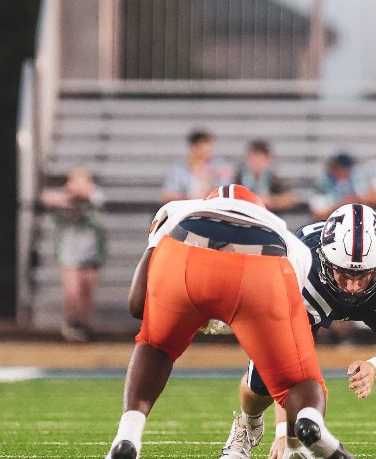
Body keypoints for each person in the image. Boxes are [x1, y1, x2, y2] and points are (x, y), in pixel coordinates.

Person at [108, 184, 352, 459]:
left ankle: (128, 433)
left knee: (155, 344)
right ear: (260, 211)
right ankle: (310, 422)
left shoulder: (177, 210)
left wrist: (189, 313)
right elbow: (276, 314)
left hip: (185, 252)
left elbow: (137, 305)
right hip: (264, 263)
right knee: (299, 381)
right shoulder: (289, 239)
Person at [219, 204, 376, 459]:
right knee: (260, 383)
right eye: (344, 273)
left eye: (363, 275)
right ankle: (247, 424)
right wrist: (285, 432)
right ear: (325, 260)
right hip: (316, 294)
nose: (352, 286)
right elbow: (287, 360)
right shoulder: (298, 265)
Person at [39, 167, 108, 342]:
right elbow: (46, 198)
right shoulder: (63, 198)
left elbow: (95, 199)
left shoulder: (95, 197)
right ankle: (72, 323)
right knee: (72, 292)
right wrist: (69, 196)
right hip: (69, 252)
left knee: (87, 291)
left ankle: (85, 325)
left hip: (91, 251)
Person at [162, 128, 233, 202]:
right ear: (193, 147)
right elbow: (167, 196)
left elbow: (227, 193)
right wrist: (192, 197)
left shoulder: (219, 167)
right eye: (203, 149)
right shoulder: (178, 169)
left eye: (209, 149)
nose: (207, 153)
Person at [236, 139, 298, 211]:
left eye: (260, 158)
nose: (256, 162)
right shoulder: (239, 177)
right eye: (253, 157)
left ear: (268, 159)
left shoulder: (273, 179)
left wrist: (273, 200)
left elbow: (293, 197)